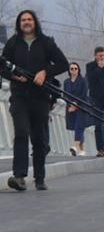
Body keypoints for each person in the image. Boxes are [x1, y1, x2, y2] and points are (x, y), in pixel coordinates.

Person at [1, 10, 69, 191]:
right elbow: (2, 66)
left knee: (39, 139)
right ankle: (19, 177)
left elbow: (63, 64)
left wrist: (45, 72)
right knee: (21, 133)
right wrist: (13, 76)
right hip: (19, 97)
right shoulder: (13, 43)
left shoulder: (46, 42)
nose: (26, 22)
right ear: (19, 23)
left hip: (40, 97)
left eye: (29, 19)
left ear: (35, 22)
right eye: (23, 20)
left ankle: (40, 178)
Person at [63, 62, 89, 156]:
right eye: (72, 69)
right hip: (71, 107)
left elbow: (84, 93)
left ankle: (75, 146)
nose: (74, 70)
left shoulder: (83, 80)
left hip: (82, 107)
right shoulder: (66, 82)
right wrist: (71, 104)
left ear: (78, 70)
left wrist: (76, 104)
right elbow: (65, 94)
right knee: (77, 128)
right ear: (69, 71)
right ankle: (82, 150)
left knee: (79, 126)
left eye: (75, 68)